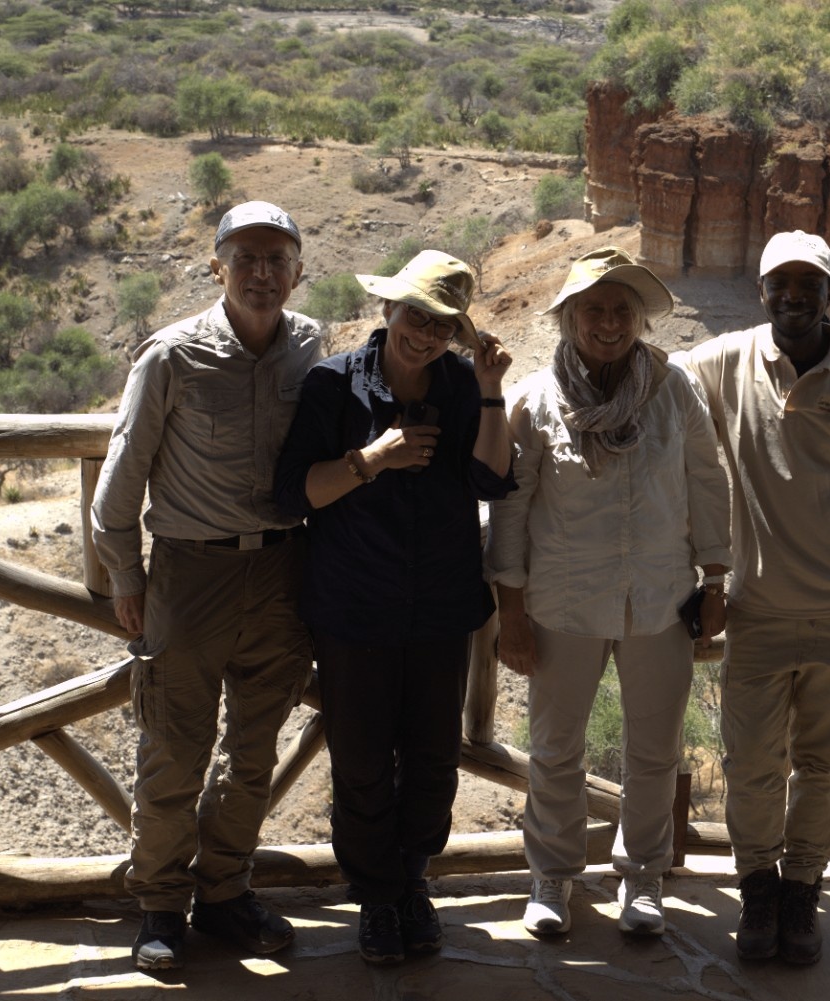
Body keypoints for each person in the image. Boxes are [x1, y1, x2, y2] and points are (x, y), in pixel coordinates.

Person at [91, 201, 322, 972]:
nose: (261, 273)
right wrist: (127, 575)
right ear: (217, 265)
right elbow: (120, 482)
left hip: (283, 571)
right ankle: (161, 902)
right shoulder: (172, 355)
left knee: (254, 750)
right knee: (173, 748)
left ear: (298, 271)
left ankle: (225, 892)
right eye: (245, 258)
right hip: (191, 574)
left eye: (276, 259)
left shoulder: (310, 346)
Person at [273, 251, 514, 964]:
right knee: (363, 762)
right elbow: (292, 494)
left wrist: (493, 392)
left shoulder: (464, 384)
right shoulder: (333, 384)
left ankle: (411, 883)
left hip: (439, 606)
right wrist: (372, 459)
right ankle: (377, 896)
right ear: (389, 310)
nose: (426, 334)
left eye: (442, 323)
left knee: (435, 760)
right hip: (355, 608)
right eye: (417, 315)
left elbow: (492, 479)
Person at [486, 247, 731, 939]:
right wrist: (511, 613)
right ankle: (552, 876)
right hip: (563, 599)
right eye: (592, 308)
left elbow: (707, 482)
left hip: (660, 597)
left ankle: (643, 875)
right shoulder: (537, 399)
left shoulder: (674, 390)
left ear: (640, 318)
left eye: (622, 309)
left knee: (655, 748)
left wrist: (716, 578)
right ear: (569, 317)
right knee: (555, 747)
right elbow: (511, 508)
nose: (608, 322)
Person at [678, 231, 830, 965]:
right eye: (781, 283)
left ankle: (802, 888)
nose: (794, 296)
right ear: (761, 291)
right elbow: (661, 378)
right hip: (758, 612)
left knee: (823, 766)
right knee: (750, 765)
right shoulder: (728, 360)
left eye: (809, 284)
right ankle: (758, 887)